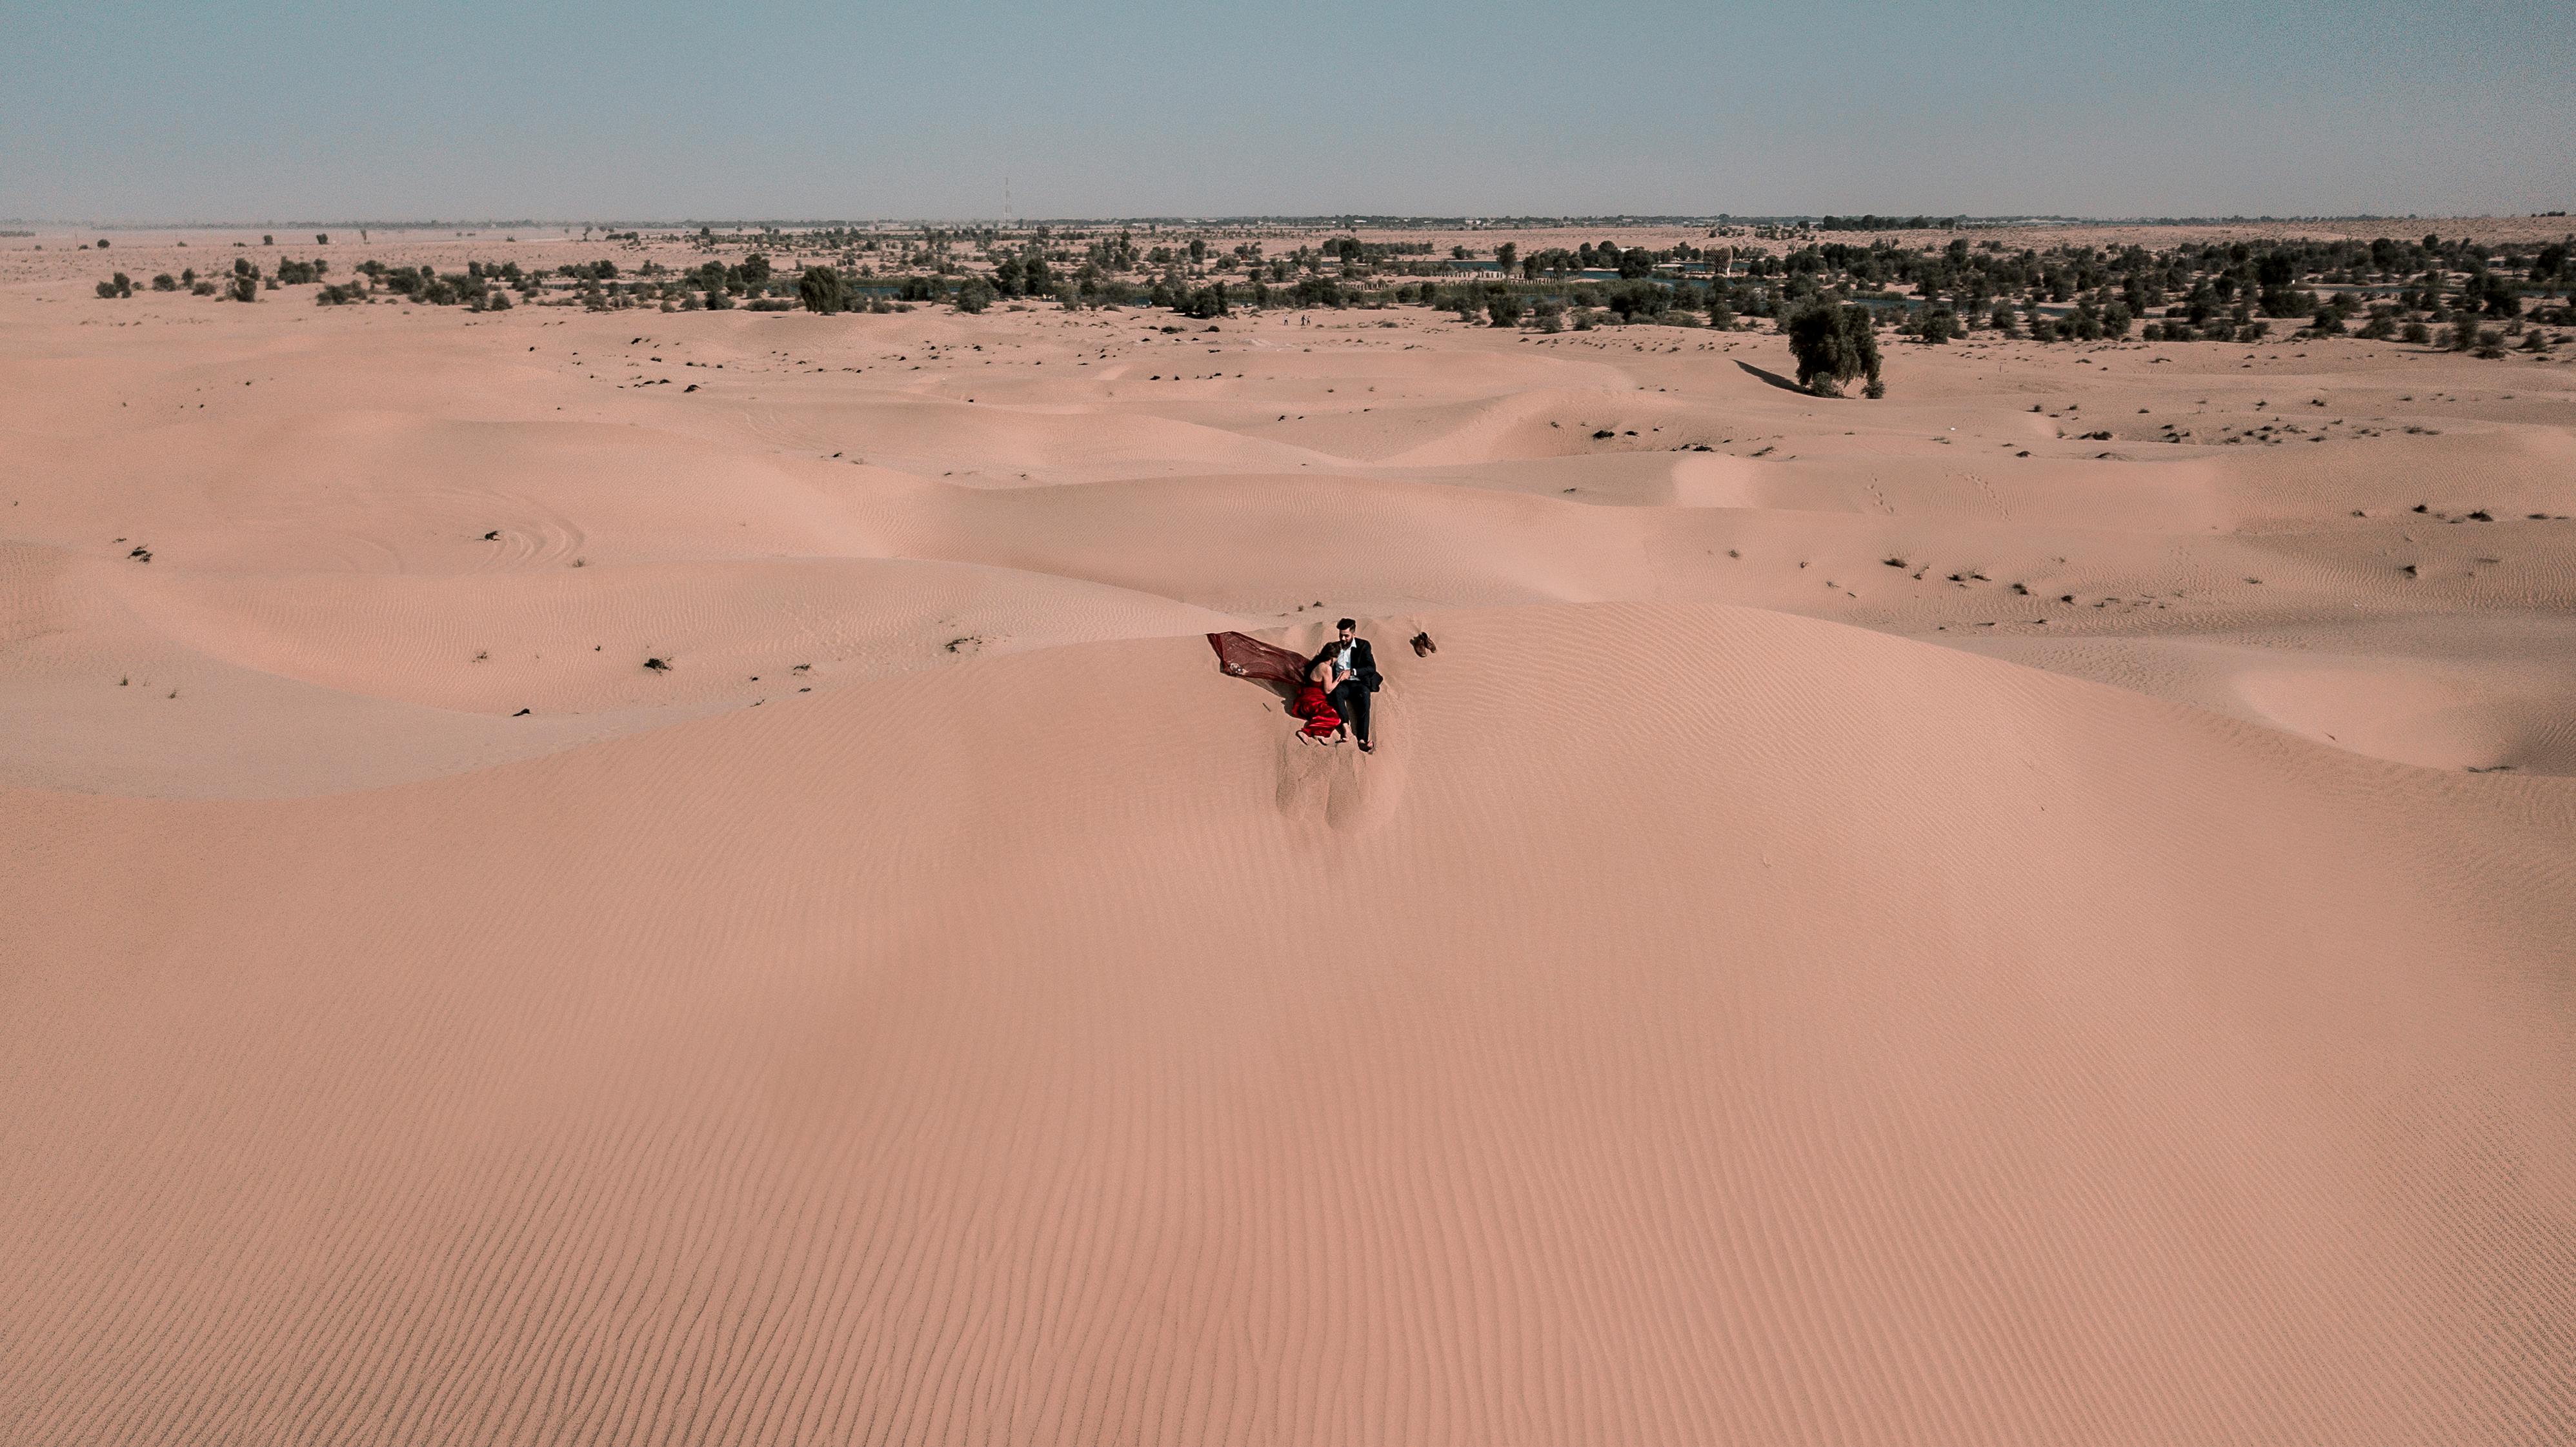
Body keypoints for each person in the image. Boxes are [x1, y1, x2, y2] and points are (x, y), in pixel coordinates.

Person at [1311, 619, 1380, 752]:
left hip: (1359, 682)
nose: (1343, 638)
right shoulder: (1336, 647)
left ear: (1354, 634)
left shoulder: (1363, 646)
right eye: (1341, 635)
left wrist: (1352, 672)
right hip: (1341, 683)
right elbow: (1322, 662)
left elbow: (1371, 668)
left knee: (1365, 699)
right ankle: (1345, 728)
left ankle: (1362, 740)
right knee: (1336, 693)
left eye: (1346, 635)